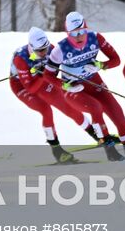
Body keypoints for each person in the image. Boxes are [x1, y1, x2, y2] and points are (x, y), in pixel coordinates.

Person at [50, 12, 125, 160]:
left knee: (117, 112)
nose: (79, 37)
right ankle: (111, 152)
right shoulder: (60, 49)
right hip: (74, 89)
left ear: (87, 29)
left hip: (93, 82)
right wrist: (64, 85)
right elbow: (46, 75)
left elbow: (116, 60)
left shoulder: (95, 38)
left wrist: (101, 65)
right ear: (67, 34)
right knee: (95, 108)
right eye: (73, 34)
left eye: (82, 32)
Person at [10, 27, 89, 163]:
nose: (43, 52)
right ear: (31, 47)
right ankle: (57, 151)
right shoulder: (21, 58)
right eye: (39, 50)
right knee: (45, 110)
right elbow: (30, 88)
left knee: (67, 103)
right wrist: (40, 74)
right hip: (22, 86)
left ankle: (98, 134)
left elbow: (56, 70)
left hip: (40, 81)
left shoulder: (50, 49)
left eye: (45, 48)